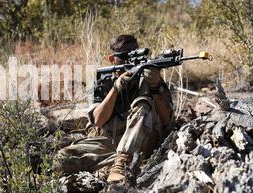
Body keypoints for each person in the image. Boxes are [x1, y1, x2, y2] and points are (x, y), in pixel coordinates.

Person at [55, 35, 174, 183]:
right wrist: (115, 89)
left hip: (143, 139)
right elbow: (98, 121)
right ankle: (114, 162)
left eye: (135, 54)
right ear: (112, 59)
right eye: (125, 56)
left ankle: (122, 164)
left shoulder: (149, 78)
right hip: (110, 140)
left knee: (142, 103)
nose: (130, 60)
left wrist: (155, 87)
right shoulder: (103, 82)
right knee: (61, 159)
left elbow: (167, 119)